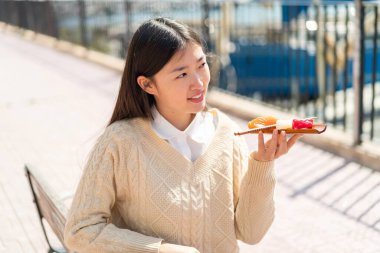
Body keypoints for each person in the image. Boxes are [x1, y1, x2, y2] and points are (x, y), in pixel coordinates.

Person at [64, 17, 303, 253]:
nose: (199, 83)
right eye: (182, 74)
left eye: (201, 65)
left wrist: (262, 164)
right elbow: (80, 230)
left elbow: (251, 233)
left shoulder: (227, 133)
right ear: (148, 85)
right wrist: (159, 251)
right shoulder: (120, 142)